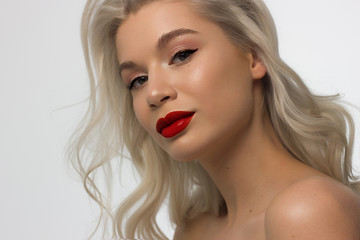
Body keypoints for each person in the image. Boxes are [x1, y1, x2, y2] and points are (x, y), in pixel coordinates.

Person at [68, 0, 360, 239]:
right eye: (137, 80)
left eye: (181, 55)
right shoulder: (193, 230)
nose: (154, 93)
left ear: (254, 55)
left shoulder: (309, 211)